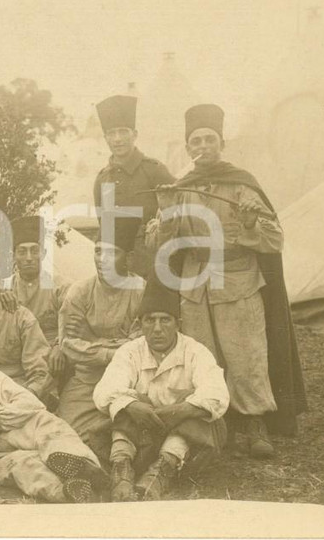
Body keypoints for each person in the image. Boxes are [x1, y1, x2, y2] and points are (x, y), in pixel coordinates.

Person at [147, 103, 306, 458]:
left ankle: (254, 422)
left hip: (237, 282)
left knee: (246, 356)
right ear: (187, 148)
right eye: (195, 141)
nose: (202, 146)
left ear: (222, 142)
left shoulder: (241, 186)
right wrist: (168, 212)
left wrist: (249, 225)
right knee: (204, 358)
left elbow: (275, 237)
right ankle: (215, 423)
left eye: (209, 139)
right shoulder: (180, 188)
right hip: (195, 286)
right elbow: (157, 243)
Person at [0, 319, 108, 504]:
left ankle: (84, 466)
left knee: (49, 426)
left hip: (19, 429)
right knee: (24, 468)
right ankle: (67, 491)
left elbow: (31, 403)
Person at [93, 278, 229, 501]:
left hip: (182, 439)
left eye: (165, 320)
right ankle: (122, 468)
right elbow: (105, 389)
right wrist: (133, 405)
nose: (157, 329)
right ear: (140, 323)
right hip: (140, 435)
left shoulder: (195, 351)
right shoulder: (130, 351)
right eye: (150, 320)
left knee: (200, 410)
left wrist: (183, 409)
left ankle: (161, 473)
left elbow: (217, 393)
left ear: (178, 323)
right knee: (121, 404)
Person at [55, 218, 145, 461]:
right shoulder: (80, 292)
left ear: (129, 257)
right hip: (87, 380)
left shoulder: (141, 291)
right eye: (97, 251)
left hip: (129, 381)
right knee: (65, 432)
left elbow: (141, 347)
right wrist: (114, 347)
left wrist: (91, 340)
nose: (102, 260)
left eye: (112, 253)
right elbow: (68, 345)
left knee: (141, 423)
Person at [92, 95, 175, 279]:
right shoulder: (102, 179)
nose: (118, 139)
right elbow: (104, 228)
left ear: (134, 134)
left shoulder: (154, 170)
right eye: (111, 133)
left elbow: (176, 214)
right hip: (117, 268)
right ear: (105, 137)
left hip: (154, 264)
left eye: (123, 132)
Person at [0, 216, 71, 387]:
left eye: (34, 250)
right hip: (16, 355)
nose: (29, 257)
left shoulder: (60, 286)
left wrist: (59, 346)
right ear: (13, 255)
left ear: (44, 253)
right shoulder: (4, 287)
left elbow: (72, 323)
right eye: (22, 251)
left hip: (52, 355)